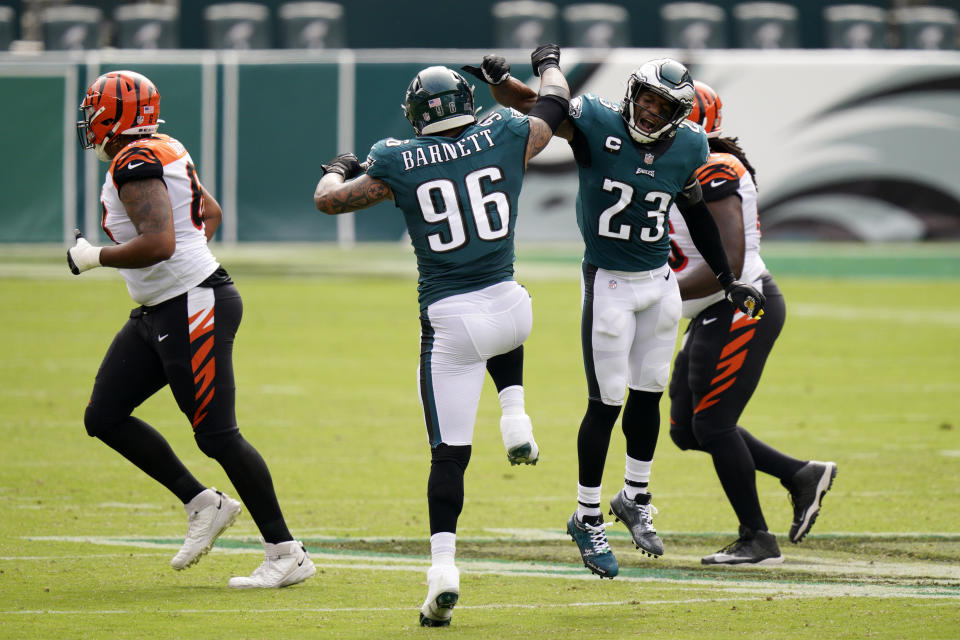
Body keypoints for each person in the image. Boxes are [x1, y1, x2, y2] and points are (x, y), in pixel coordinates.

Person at [466, 55, 765, 579]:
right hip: (608, 283)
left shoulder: (692, 144)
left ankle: (635, 495)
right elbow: (534, 105)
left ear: (679, 112)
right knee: (605, 404)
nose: (649, 112)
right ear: (633, 94)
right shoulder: (597, 121)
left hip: (660, 284)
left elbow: (693, 207)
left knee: (647, 394)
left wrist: (725, 279)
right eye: (645, 99)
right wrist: (501, 81)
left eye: (661, 105)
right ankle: (586, 515)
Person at [313, 47, 570, 626]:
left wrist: (337, 166)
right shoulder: (504, 131)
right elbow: (556, 100)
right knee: (503, 323)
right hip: (513, 310)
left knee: (449, 455)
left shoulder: (397, 158)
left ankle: (443, 571)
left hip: (452, 321)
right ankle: (515, 415)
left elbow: (328, 202)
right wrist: (545, 62)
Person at [68, 70, 315, 588]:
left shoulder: (134, 161)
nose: (89, 121)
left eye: (94, 109)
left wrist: (94, 257)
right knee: (105, 415)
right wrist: (178, 262)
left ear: (115, 112)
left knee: (216, 434)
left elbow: (159, 241)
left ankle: (286, 551)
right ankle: (205, 503)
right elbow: (210, 214)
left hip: (190, 304)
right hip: (164, 306)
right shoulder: (163, 147)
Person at [667, 80, 838, 565]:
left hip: (741, 304)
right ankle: (799, 473)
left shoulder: (714, 167)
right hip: (708, 309)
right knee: (685, 429)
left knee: (714, 424)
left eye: (663, 110)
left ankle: (757, 539)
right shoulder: (671, 165)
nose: (651, 118)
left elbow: (733, 261)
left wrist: (656, 294)